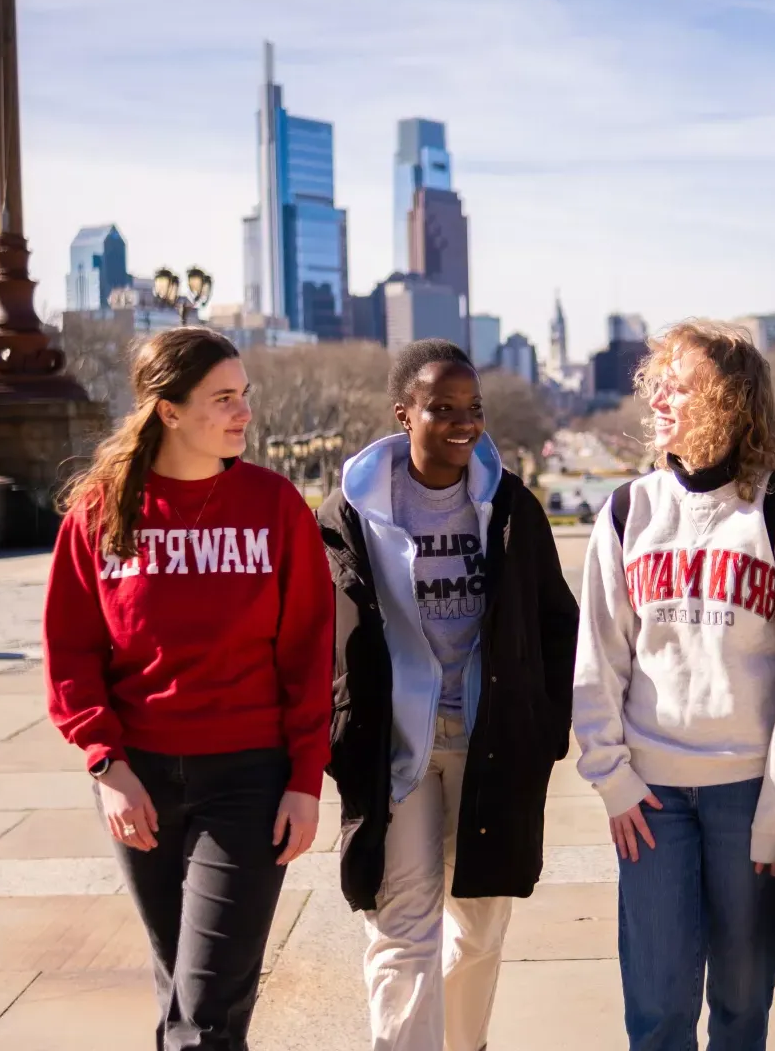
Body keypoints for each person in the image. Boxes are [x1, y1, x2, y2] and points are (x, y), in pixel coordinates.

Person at [43, 326, 333, 1049]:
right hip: (137, 780)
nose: (244, 414)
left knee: (203, 1015)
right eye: (224, 399)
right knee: (182, 988)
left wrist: (304, 778)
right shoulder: (100, 512)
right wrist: (106, 764)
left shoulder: (275, 507)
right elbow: (70, 649)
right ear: (168, 411)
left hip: (247, 780)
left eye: (244, 396)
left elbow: (308, 653)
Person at [574, 319, 775, 1050]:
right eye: (656, 382)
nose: (658, 398)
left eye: (679, 386)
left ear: (730, 401)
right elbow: (598, 657)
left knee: (744, 1001)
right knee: (656, 1007)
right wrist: (612, 777)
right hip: (649, 800)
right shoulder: (629, 510)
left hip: (749, 796)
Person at [316, 340, 579, 1051]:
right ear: (405, 414)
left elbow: (558, 620)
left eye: (474, 409)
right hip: (397, 748)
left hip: (491, 744)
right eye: (443, 408)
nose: (464, 422)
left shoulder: (509, 506)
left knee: (480, 928)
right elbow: (324, 633)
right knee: (403, 934)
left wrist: (544, 728)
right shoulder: (351, 514)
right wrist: (337, 732)